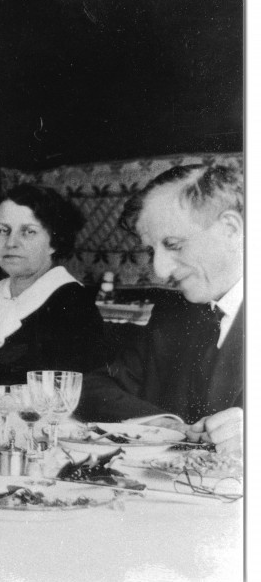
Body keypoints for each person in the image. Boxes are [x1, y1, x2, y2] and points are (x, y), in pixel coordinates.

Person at [77, 164, 243, 455]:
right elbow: (93, 387)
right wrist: (163, 423)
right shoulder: (176, 314)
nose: (159, 269)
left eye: (173, 244)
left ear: (230, 229)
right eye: (153, 250)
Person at [0, 183, 107, 388]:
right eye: (2, 231)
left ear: (54, 241)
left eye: (28, 232)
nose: (10, 243)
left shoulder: (73, 303)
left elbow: (66, 391)